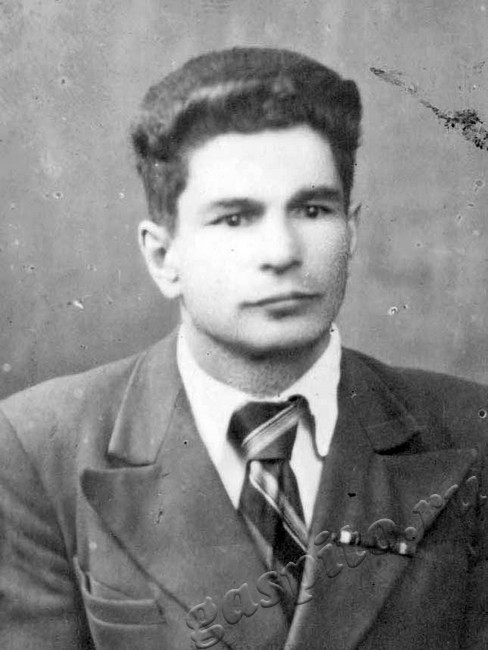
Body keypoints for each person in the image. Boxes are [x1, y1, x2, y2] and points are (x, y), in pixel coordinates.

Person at [0, 47, 487, 650]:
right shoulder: (36, 448)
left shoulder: (472, 430)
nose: (281, 252)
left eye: (312, 209)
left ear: (351, 230)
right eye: (235, 218)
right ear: (163, 256)